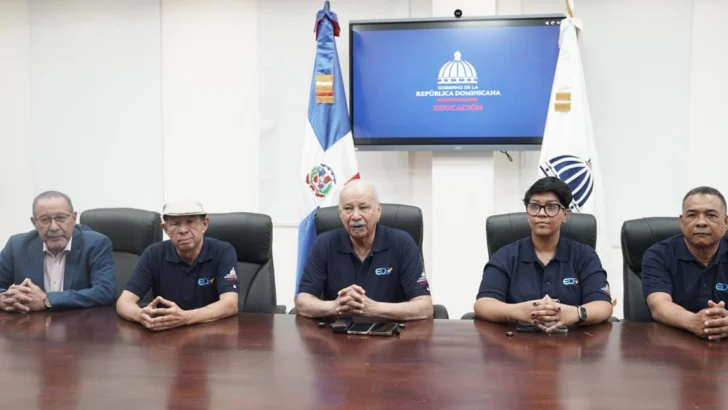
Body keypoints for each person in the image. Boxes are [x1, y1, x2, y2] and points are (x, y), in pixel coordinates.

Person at [473, 177, 613, 332]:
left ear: (565, 214)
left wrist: (576, 313)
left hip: (572, 342)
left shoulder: (584, 255)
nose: (541, 213)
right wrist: (515, 311)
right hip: (516, 341)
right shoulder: (506, 256)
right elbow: (483, 304)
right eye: (534, 206)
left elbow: (603, 306)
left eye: (551, 207)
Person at [295, 180, 433, 320]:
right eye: (348, 209)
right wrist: (336, 306)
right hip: (337, 330)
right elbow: (302, 302)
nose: (355, 216)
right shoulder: (324, 243)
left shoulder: (402, 243)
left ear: (378, 211)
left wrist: (374, 309)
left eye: (363, 208)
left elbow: (424, 307)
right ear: (340, 213)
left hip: (390, 330)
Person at [116, 201, 239, 331]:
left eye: (190, 222)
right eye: (175, 224)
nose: (183, 230)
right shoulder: (154, 254)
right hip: (167, 333)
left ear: (204, 224)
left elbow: (230, 304)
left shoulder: (222, 251)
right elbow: (124, 302)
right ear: (165, 229)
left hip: (211, 332)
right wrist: (141, 316)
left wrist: (186, 318)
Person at [0, 191, 116, 312]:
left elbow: (106, 291)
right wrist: (3, 298)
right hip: (31, 321)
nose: (54, 227)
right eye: (45, 220)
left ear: (74, 218)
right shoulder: (16, 245)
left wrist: (48, 300)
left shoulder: (95, 243)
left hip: (79, 321)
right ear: (34, 223)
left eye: (61, 218)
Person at [642, 186, 728, 341]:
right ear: (682, 221)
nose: (701, 222)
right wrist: (693, 321)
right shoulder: (658, 254)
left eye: (711, 215)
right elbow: (659, 306)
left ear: (726, 222)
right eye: (692, 215)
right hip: (673, 344)